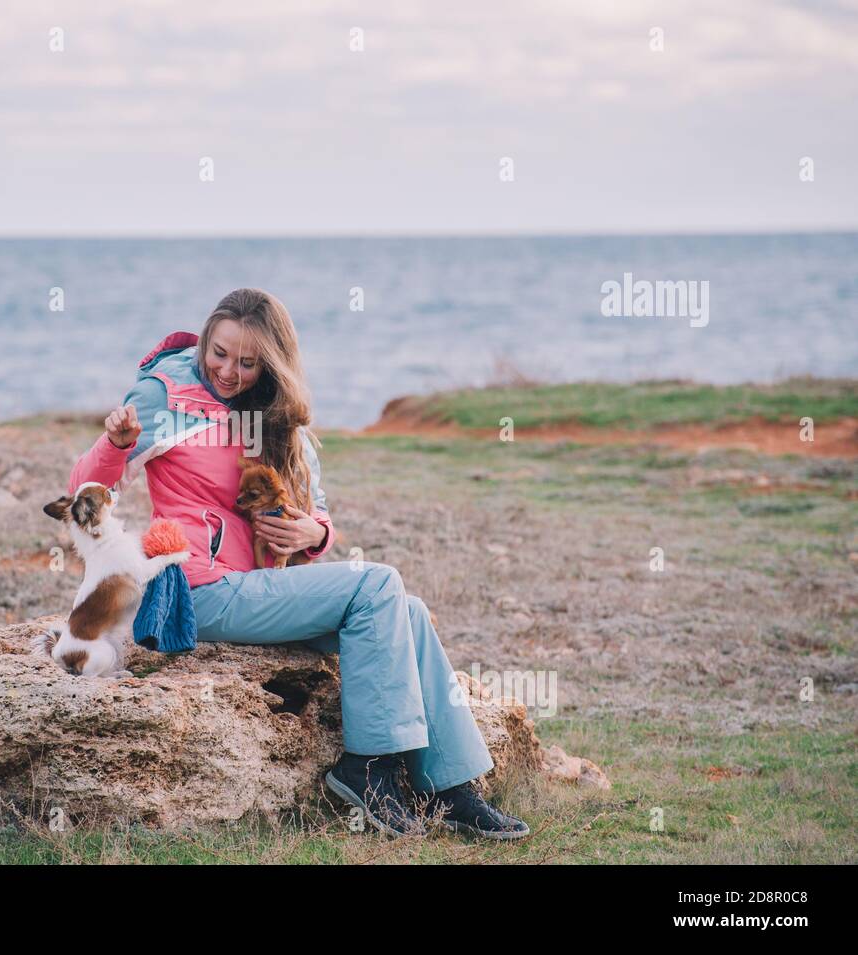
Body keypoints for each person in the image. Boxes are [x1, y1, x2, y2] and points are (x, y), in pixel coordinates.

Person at [68, 288, 529, 839]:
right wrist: (115, 445)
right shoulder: (168, 393)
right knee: (379, 582)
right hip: (196, 590)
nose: (228, 371)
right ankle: (369, 769)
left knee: (406, 611)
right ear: (205, 339)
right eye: (219, 353)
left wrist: (314, 533)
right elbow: (83, 492)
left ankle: (451, 788)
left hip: (259, 588)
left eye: (247, 362)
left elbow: (318, 517)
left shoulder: (277, 417)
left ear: (271, 362)